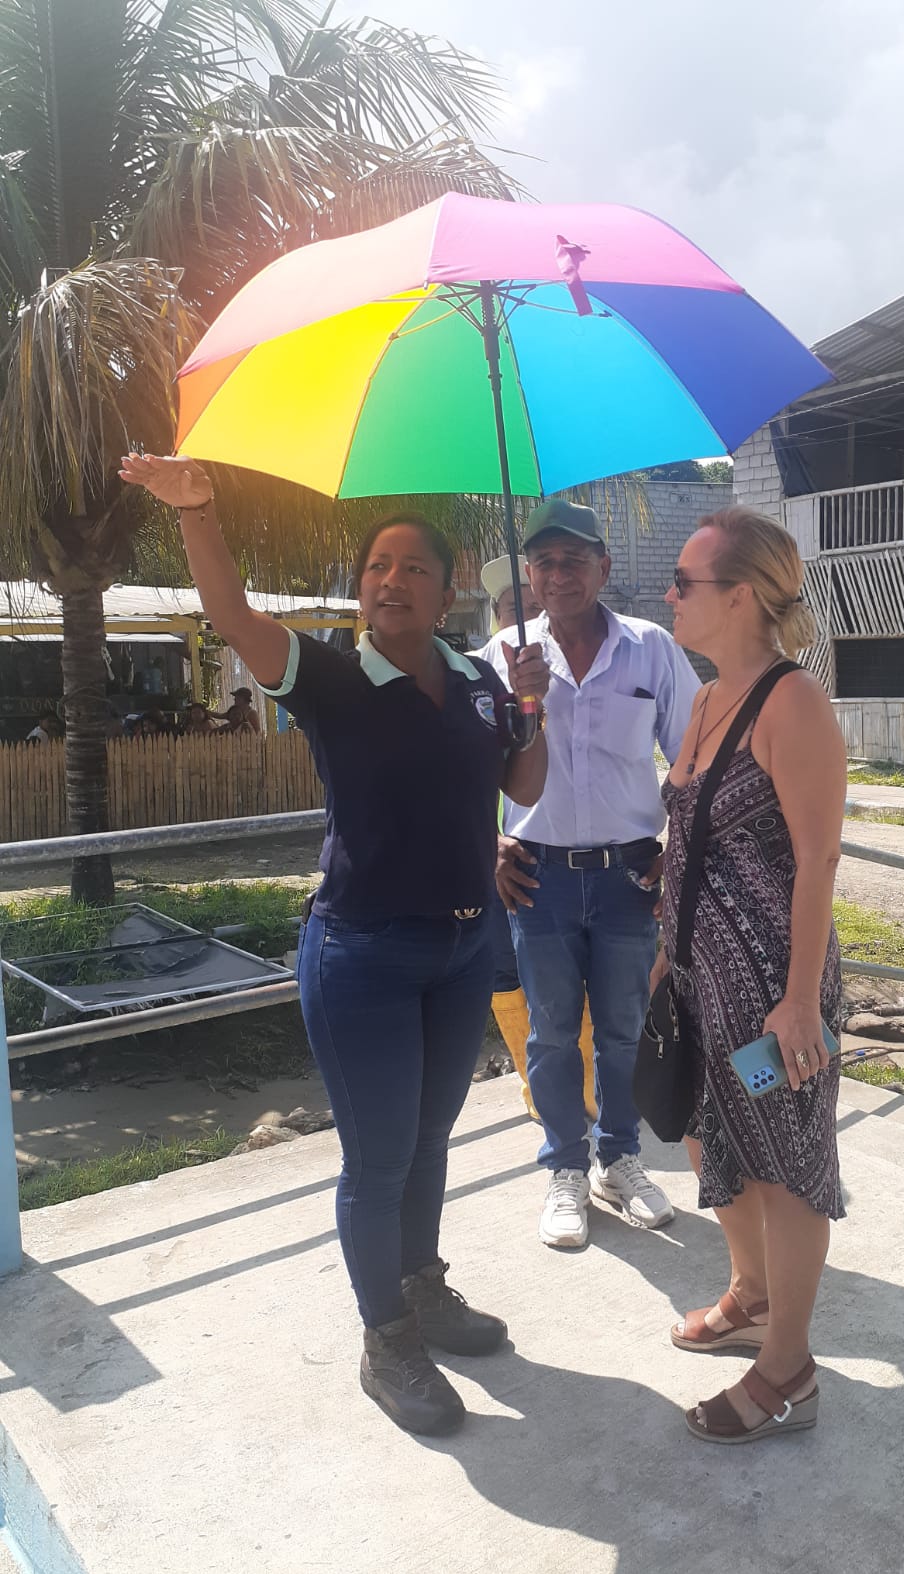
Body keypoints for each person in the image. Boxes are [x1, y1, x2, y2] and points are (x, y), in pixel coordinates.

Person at [118, 449, 550, 1439]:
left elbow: (524, 786)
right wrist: (197, 510)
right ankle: (386, 1339)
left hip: (464, 949)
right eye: (376, 567)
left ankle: (423, 1286)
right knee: (380, 1156)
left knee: (430, 1141)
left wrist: (534, 706)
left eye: (412, 566)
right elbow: (234, 618)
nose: (391, 579)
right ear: (362, 589)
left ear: (447, 588)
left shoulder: (481, 680)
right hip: (364, 954)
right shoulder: (332, 677)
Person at [657, 505, 845, 1445]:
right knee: (706, 1139)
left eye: (683, 582)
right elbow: (688, 839)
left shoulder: (791, 701)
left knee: (783, 1164)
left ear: (738, 597)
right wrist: (666, 953)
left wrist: (801, 1001)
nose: (669, 596)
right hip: (700, 980)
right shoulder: (703, 701)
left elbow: (818, 858)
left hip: (772, 993)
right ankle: (752, 1294)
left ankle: (789, 1371)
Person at [481, 498, 700, 1249]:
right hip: (536, 877)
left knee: (623, 1028)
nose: (559, 574)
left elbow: (695, 755)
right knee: (550, 1034)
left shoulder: (650, 649)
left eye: (574, 559)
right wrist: (487, 839)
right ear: (529, 575)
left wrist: (680, 846)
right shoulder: (501, 655)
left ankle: (619, 1159)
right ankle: (565, 1170)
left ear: (603, 567)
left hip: (628, 875)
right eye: (544, 562)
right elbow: (461, 764)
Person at [478, 555, 597, 1126]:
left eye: (532, 609)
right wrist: (489, 841)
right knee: (506, 975)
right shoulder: (476, 673)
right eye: (510, 610)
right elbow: (454, 774)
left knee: (580, 980)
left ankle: (589, 1093)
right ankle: (540, 1094)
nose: (522, 622)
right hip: (504, 856)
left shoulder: (580, 662)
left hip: (573, 857)